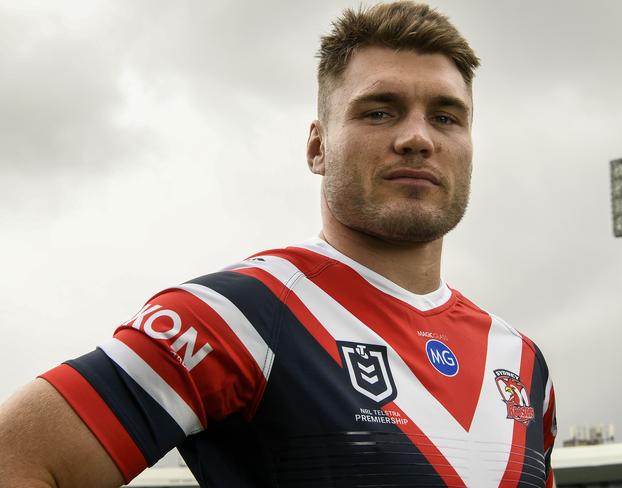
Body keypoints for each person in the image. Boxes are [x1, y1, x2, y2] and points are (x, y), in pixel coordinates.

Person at [0, 2, 557, 487]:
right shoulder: (235, 316)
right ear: (317, 147)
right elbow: (15, 458)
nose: (417, 137)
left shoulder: (524, 364)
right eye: (379, 111)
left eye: (445, 117)